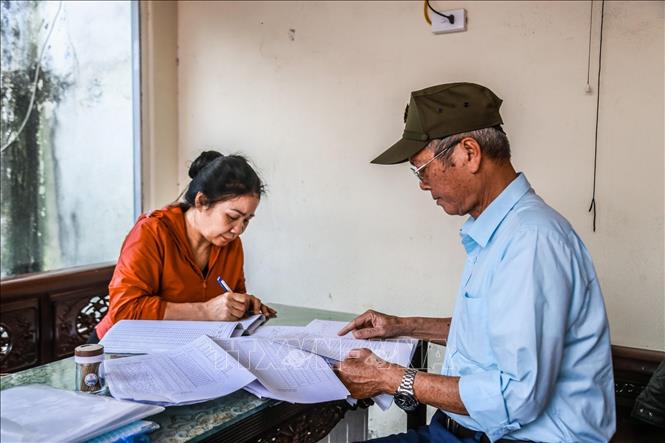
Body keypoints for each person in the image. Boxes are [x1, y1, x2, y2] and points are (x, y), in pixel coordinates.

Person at [335, 83, 615, 442]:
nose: (422, 185)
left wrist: (390, 378)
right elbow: (493, 334)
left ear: (469, 153)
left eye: (422, 170)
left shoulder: (531, 241)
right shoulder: (500, 231)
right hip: (464, 431)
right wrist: (401, 325)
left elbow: (517, 398)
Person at [93, 151, 276, 341]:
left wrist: (241, 305)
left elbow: (230, 296)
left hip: (177, 349)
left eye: (247, 220)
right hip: (115, 349)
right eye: (232, 217)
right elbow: (124, 310)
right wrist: (205, 311)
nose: (239, 229)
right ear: (202, 201)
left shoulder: (231, 244)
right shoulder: (152, 232)